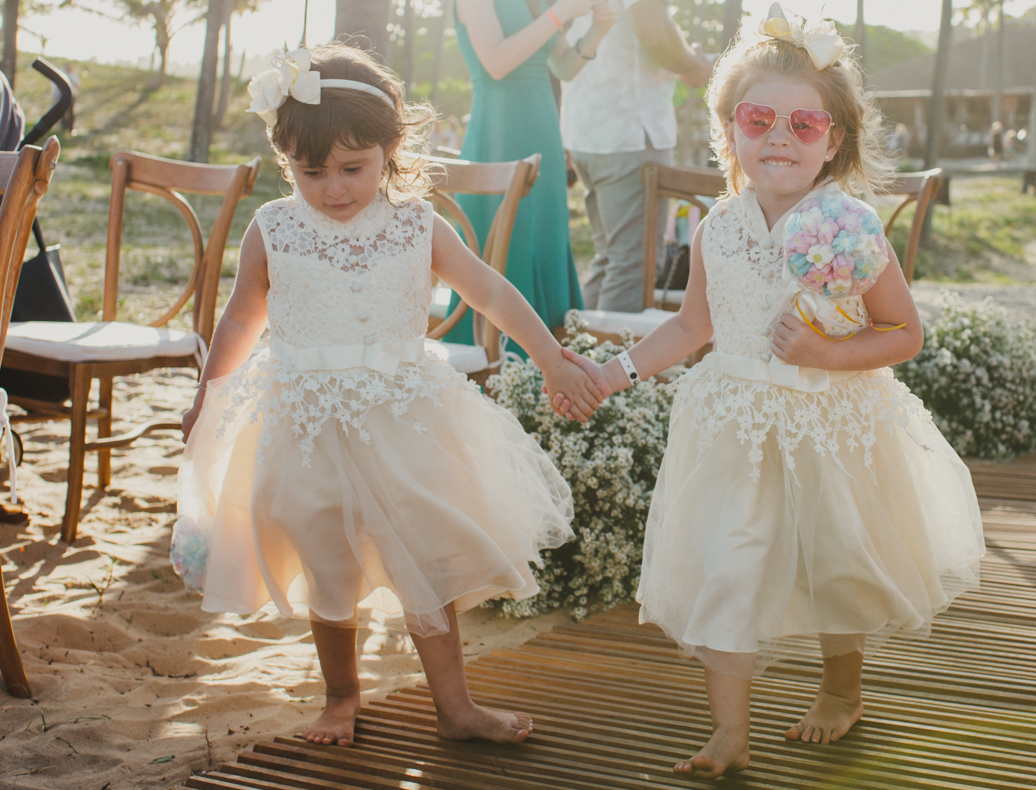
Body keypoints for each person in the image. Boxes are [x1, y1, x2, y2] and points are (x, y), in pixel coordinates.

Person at [554, 5, 984, 778]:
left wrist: (825, 348)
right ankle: (729, 732)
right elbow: (691, 328)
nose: (779, 137)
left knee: (838, 561)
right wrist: (613, 374)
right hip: (736, 423)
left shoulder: (851, 227)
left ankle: (841, 688)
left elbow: (905, 335)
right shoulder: (716, 226)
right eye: (758, 118)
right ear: (729, 132)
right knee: (731, 562)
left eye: (804, 124)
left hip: (830, 419)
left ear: (836, 140)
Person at [173, 44, 603, 749]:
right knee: (325, 557)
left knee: (424, 556)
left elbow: (488, 291)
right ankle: (341, 696)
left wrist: (552, 357)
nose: (334, 189)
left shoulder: (413, 224)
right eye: (314, 173)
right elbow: (241, 317)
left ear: (389, 151)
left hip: (403, 419)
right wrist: (210, 393)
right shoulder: (274, 228)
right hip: (304, 421)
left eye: (353, 169)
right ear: (288, 161)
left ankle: (456, 706)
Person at [445, 0, 617, 352]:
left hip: (543, 134)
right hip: (499, 133)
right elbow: (496, 62)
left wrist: (598, 30)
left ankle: (558, 363)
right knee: (507, 246)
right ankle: (502, 363)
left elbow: (564, 67)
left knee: (544, 242)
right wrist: (561, 14)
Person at [560, 0, 712, 312]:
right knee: (633, 266)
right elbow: (651, 31)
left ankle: (579, 350)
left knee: (610, 259)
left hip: (589, 132)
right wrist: (694, 66)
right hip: (628, 133)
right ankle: (609, 358)